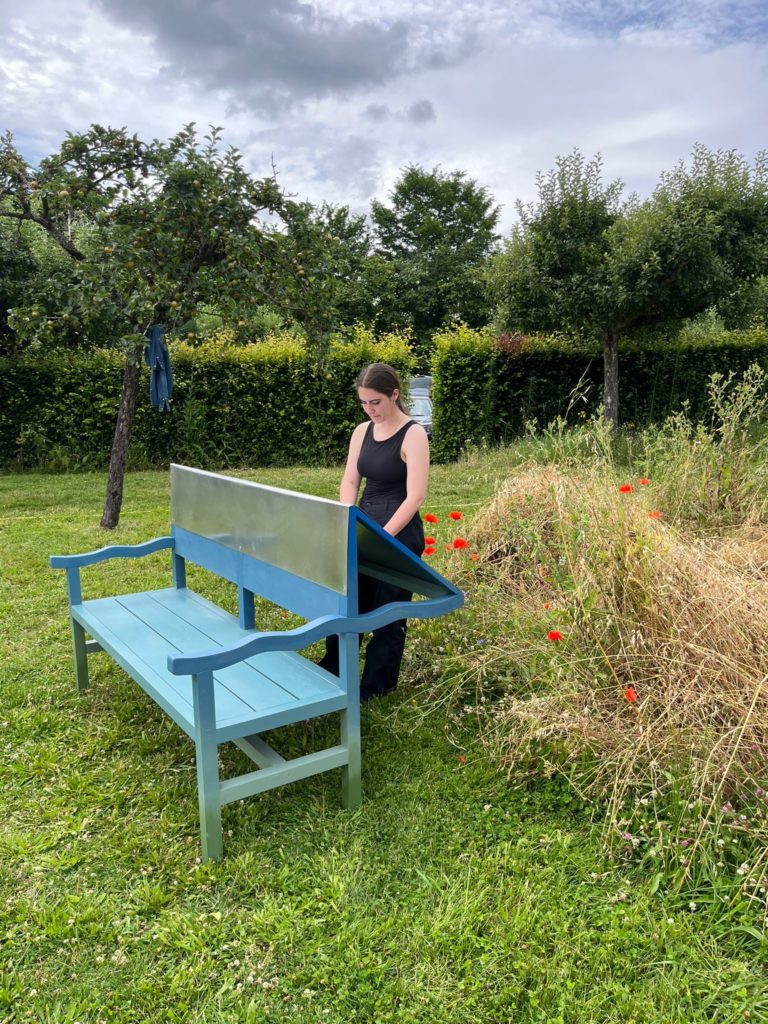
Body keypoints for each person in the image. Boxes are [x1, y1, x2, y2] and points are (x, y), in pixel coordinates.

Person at [319, 362, 430, 701]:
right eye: (364, 403)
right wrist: (347, 514)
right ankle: (334, 667)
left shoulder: (414, 434)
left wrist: (386, 535)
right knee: (348, 599)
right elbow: (351, 479)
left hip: (399, 530)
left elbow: (416, 495)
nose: (370, 410)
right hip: (364, 522)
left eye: (376, 402)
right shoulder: (361, 431)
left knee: (388, 610)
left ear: (394, 394)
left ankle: (376, 687)